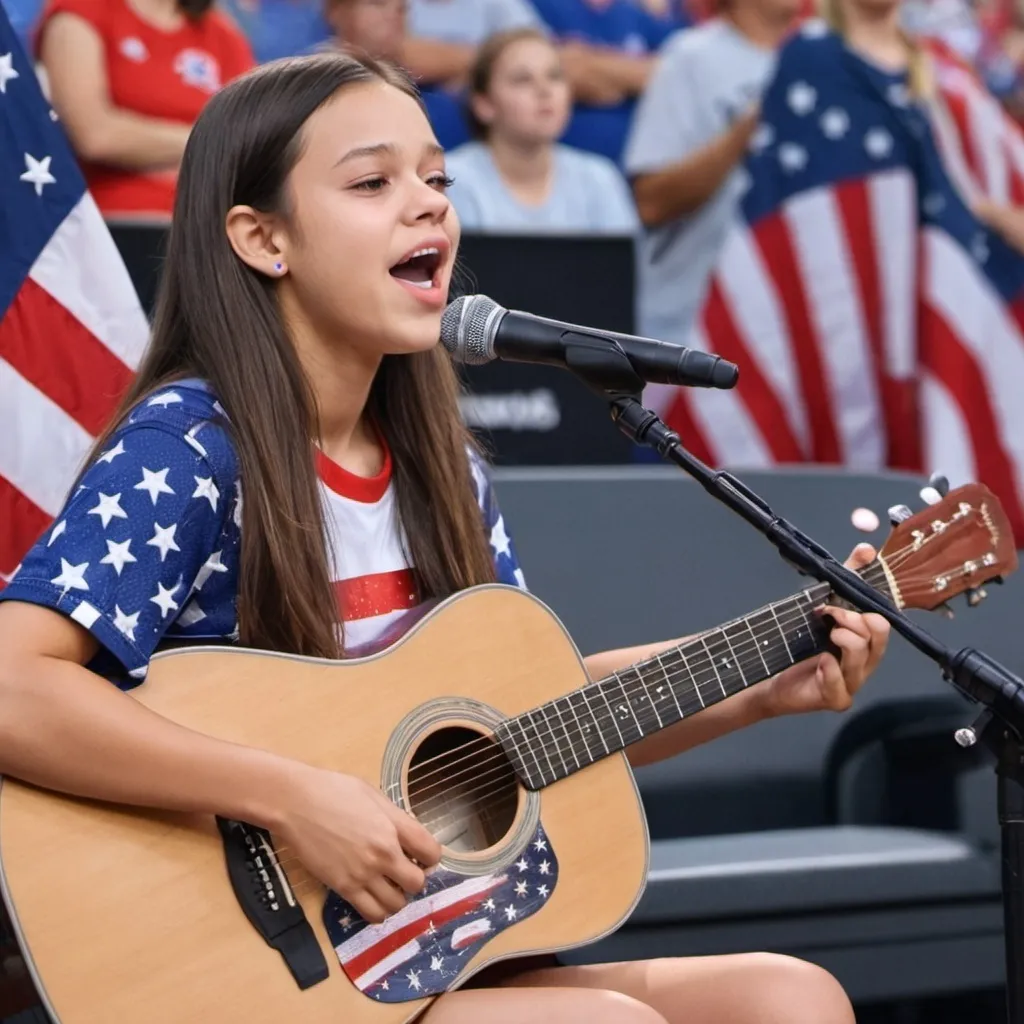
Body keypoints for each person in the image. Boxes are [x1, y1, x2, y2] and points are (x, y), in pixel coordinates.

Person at [0, 51, 889, 1023]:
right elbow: (14, 683)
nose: (428, 207)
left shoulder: (445, 470)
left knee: (790, 996)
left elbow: (517, 729)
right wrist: (291, 796)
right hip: (258, 979)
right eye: (374, 182)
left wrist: (759, 687)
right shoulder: (194, 445)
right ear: (262, 239)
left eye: (436, 179)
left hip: (429, 954)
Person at [623, 0, 800, 344]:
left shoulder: (820, 59)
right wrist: (743, 131)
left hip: (786, 326)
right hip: (690, 321)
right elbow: (651, 201)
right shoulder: (692, 56)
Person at [36, 0, 254, 220]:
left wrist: (146, 148)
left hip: (205, 222)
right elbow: (95, 136)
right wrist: (207, 145)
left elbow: (250, 143)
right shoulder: (81, 11)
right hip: (112, 224)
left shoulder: (221, 32)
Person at [446, 28, 639, 233]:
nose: (544, 90)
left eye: (554, 76)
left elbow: (625, 263)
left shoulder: (600, 179)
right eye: (523, 79)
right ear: (484, 104)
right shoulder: (453, 181)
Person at [527, 0, 682, 164]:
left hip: (640, 166)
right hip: (561, 166)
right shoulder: (539, 6)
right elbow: (564, 71)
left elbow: (678, 73)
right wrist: (635, 76)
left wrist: (593, 64)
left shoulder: (635, 13)